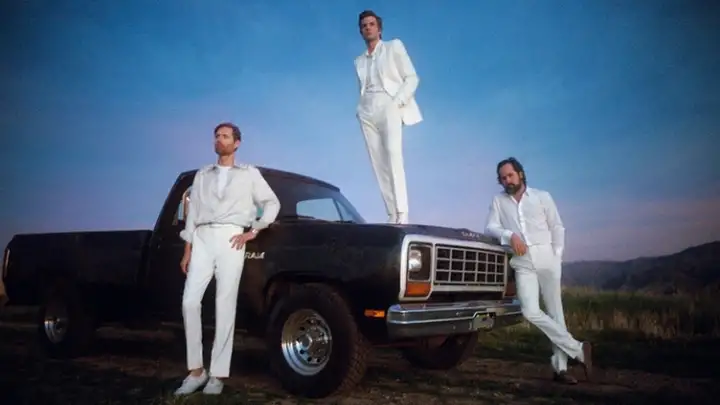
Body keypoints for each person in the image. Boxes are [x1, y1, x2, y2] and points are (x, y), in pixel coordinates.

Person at [174, 122, 280, 395]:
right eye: (216, 136)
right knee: (189, 302)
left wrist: (254, 230)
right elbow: (193, 213)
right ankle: (196, 371)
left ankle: (217, 375)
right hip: (202, 237)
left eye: (225, 136)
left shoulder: (249, 173)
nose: (219, 140)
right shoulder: (202, 174)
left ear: (237, 143)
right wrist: (188, 249)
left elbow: (272, 203)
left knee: (225, 303)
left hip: (231, 237)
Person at [484, 157, 592, 384]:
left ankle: (560, 369)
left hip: (548, 259)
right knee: (529, 311)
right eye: (502, 178)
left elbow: (557, 226)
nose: (507, 180)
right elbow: (490, 227)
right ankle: (578, 349)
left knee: (555, 312)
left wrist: (557, 256)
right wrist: (510, 235)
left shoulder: (543, 196)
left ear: (520, 174)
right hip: (522, 262)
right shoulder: (498, 201)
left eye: (510, 175)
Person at [354, 9, 422, 225]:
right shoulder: (359, 61)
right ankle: (391, 212)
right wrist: (360, 109)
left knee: (393, 156)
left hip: (389, 103)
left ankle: (402, 212)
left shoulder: (394, 47)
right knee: (378, 163)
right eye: (364, 26)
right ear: (361, 31)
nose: (368, 28)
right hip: (367, 110)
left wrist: (396, 103)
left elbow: (412, 78)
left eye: (371, 24)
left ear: (379, 29)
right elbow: (362, 88)